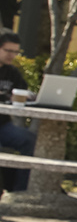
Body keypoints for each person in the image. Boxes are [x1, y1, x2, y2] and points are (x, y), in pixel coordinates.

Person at [0, 31, 35, 193]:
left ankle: (20, 192)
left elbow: (23, 91)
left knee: (28, 140)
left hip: (3, 126)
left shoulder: (12, 73)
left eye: (16, 52)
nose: (12, 55)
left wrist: (30, 97)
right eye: (8, 51)